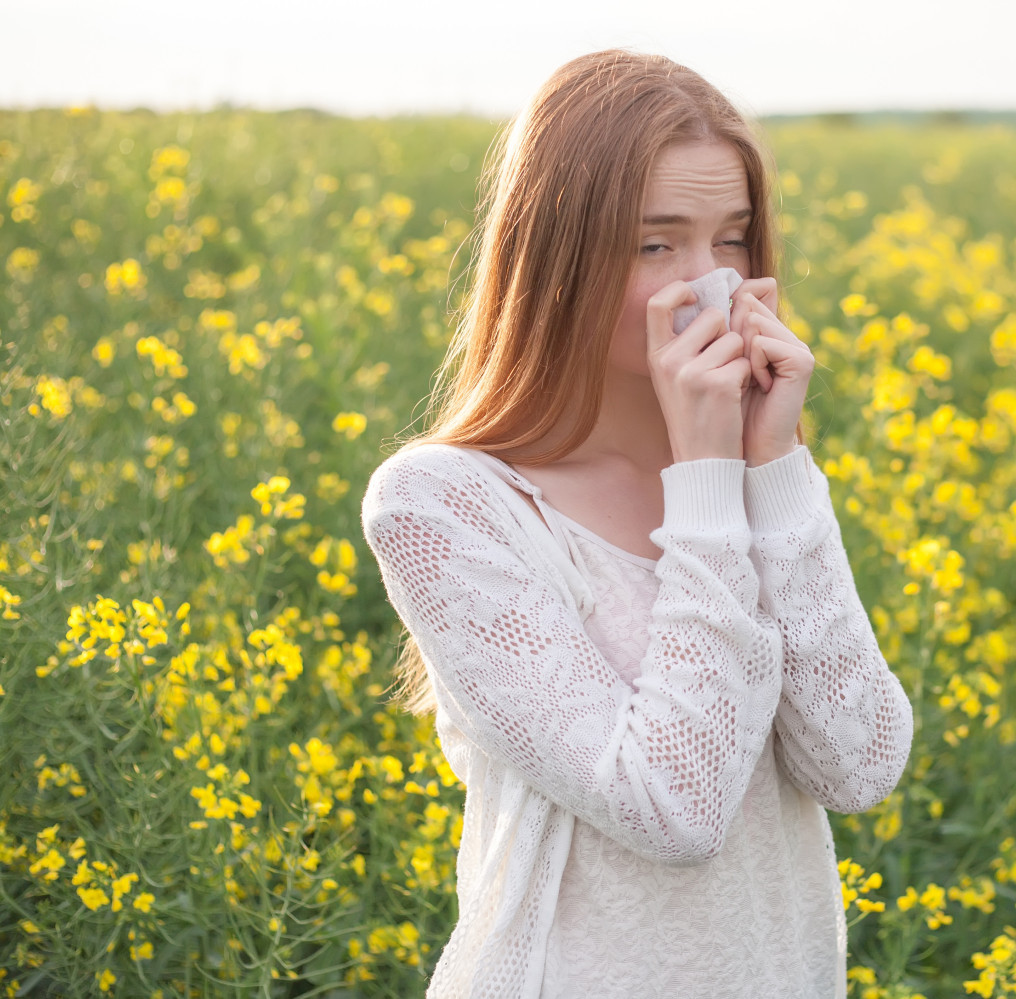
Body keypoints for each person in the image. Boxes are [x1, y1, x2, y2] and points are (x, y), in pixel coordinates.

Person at [360, 49, 913, 998]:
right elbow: (676, 809)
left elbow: (859, 761)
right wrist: (707, 481)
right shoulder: (442, 504)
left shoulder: (748, 471)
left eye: (731, 241)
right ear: (557, 258)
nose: (710, 290)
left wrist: (771, 469)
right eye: (655, 245)